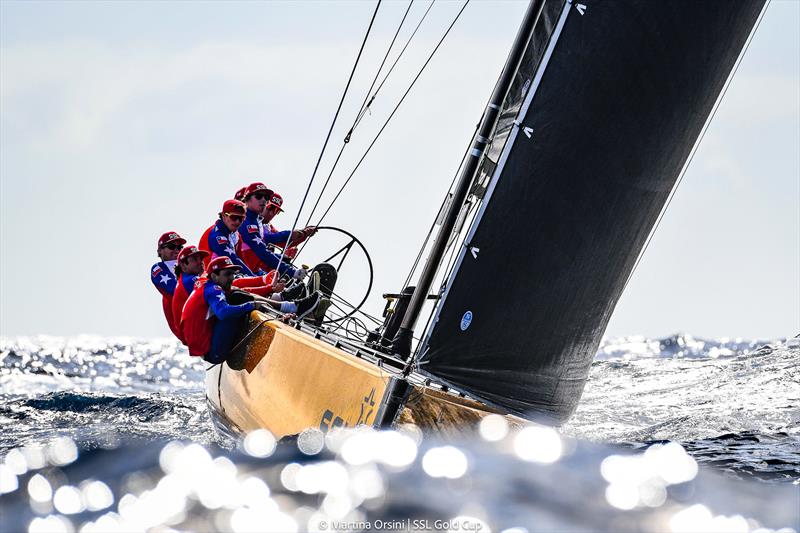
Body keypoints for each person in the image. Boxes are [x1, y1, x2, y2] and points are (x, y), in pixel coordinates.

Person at [181, 256, 323, 363]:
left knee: (237, 293)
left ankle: (288, 306)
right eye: (227, 274)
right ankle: (287, 310)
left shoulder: (206, 283)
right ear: (214, 275)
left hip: (208, 346)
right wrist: (252, 306)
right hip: (214, 353)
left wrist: (265, 292)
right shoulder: (213, 289)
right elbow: (223, 313)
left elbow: (238, 287)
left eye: (233, 274)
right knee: (237, 298)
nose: (231, 278)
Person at [171, 245, 304, 342]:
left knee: (236, 294)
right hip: (200, 339)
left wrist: (265, 285)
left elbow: (234, 286)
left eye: (201, 258)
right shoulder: (191, 281)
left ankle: (282, 304)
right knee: (236, 297)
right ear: (183, 266)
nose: (200, 262)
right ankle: (282, 305)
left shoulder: (195, 280)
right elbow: (227, 303)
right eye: (195, 259)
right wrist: (264, 291)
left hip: (201, 331)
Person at [235, 183, 310, 280]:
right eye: (259, 196)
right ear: (246, 200)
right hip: (236, 274)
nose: (263, 200)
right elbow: (265, 245)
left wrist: (304, 234)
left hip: (254, 270)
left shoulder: (258, 222)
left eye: (266, 197)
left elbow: (283, 242)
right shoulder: (244, 221)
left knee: (283, 279)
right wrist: (292, 272)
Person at [150, 231, 186, 339]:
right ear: (160, 251)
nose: (176, 250)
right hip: (183, 318)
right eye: (171, 247)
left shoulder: (190, 262)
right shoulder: (158, 268)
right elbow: (175, 290)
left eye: (180, 247)